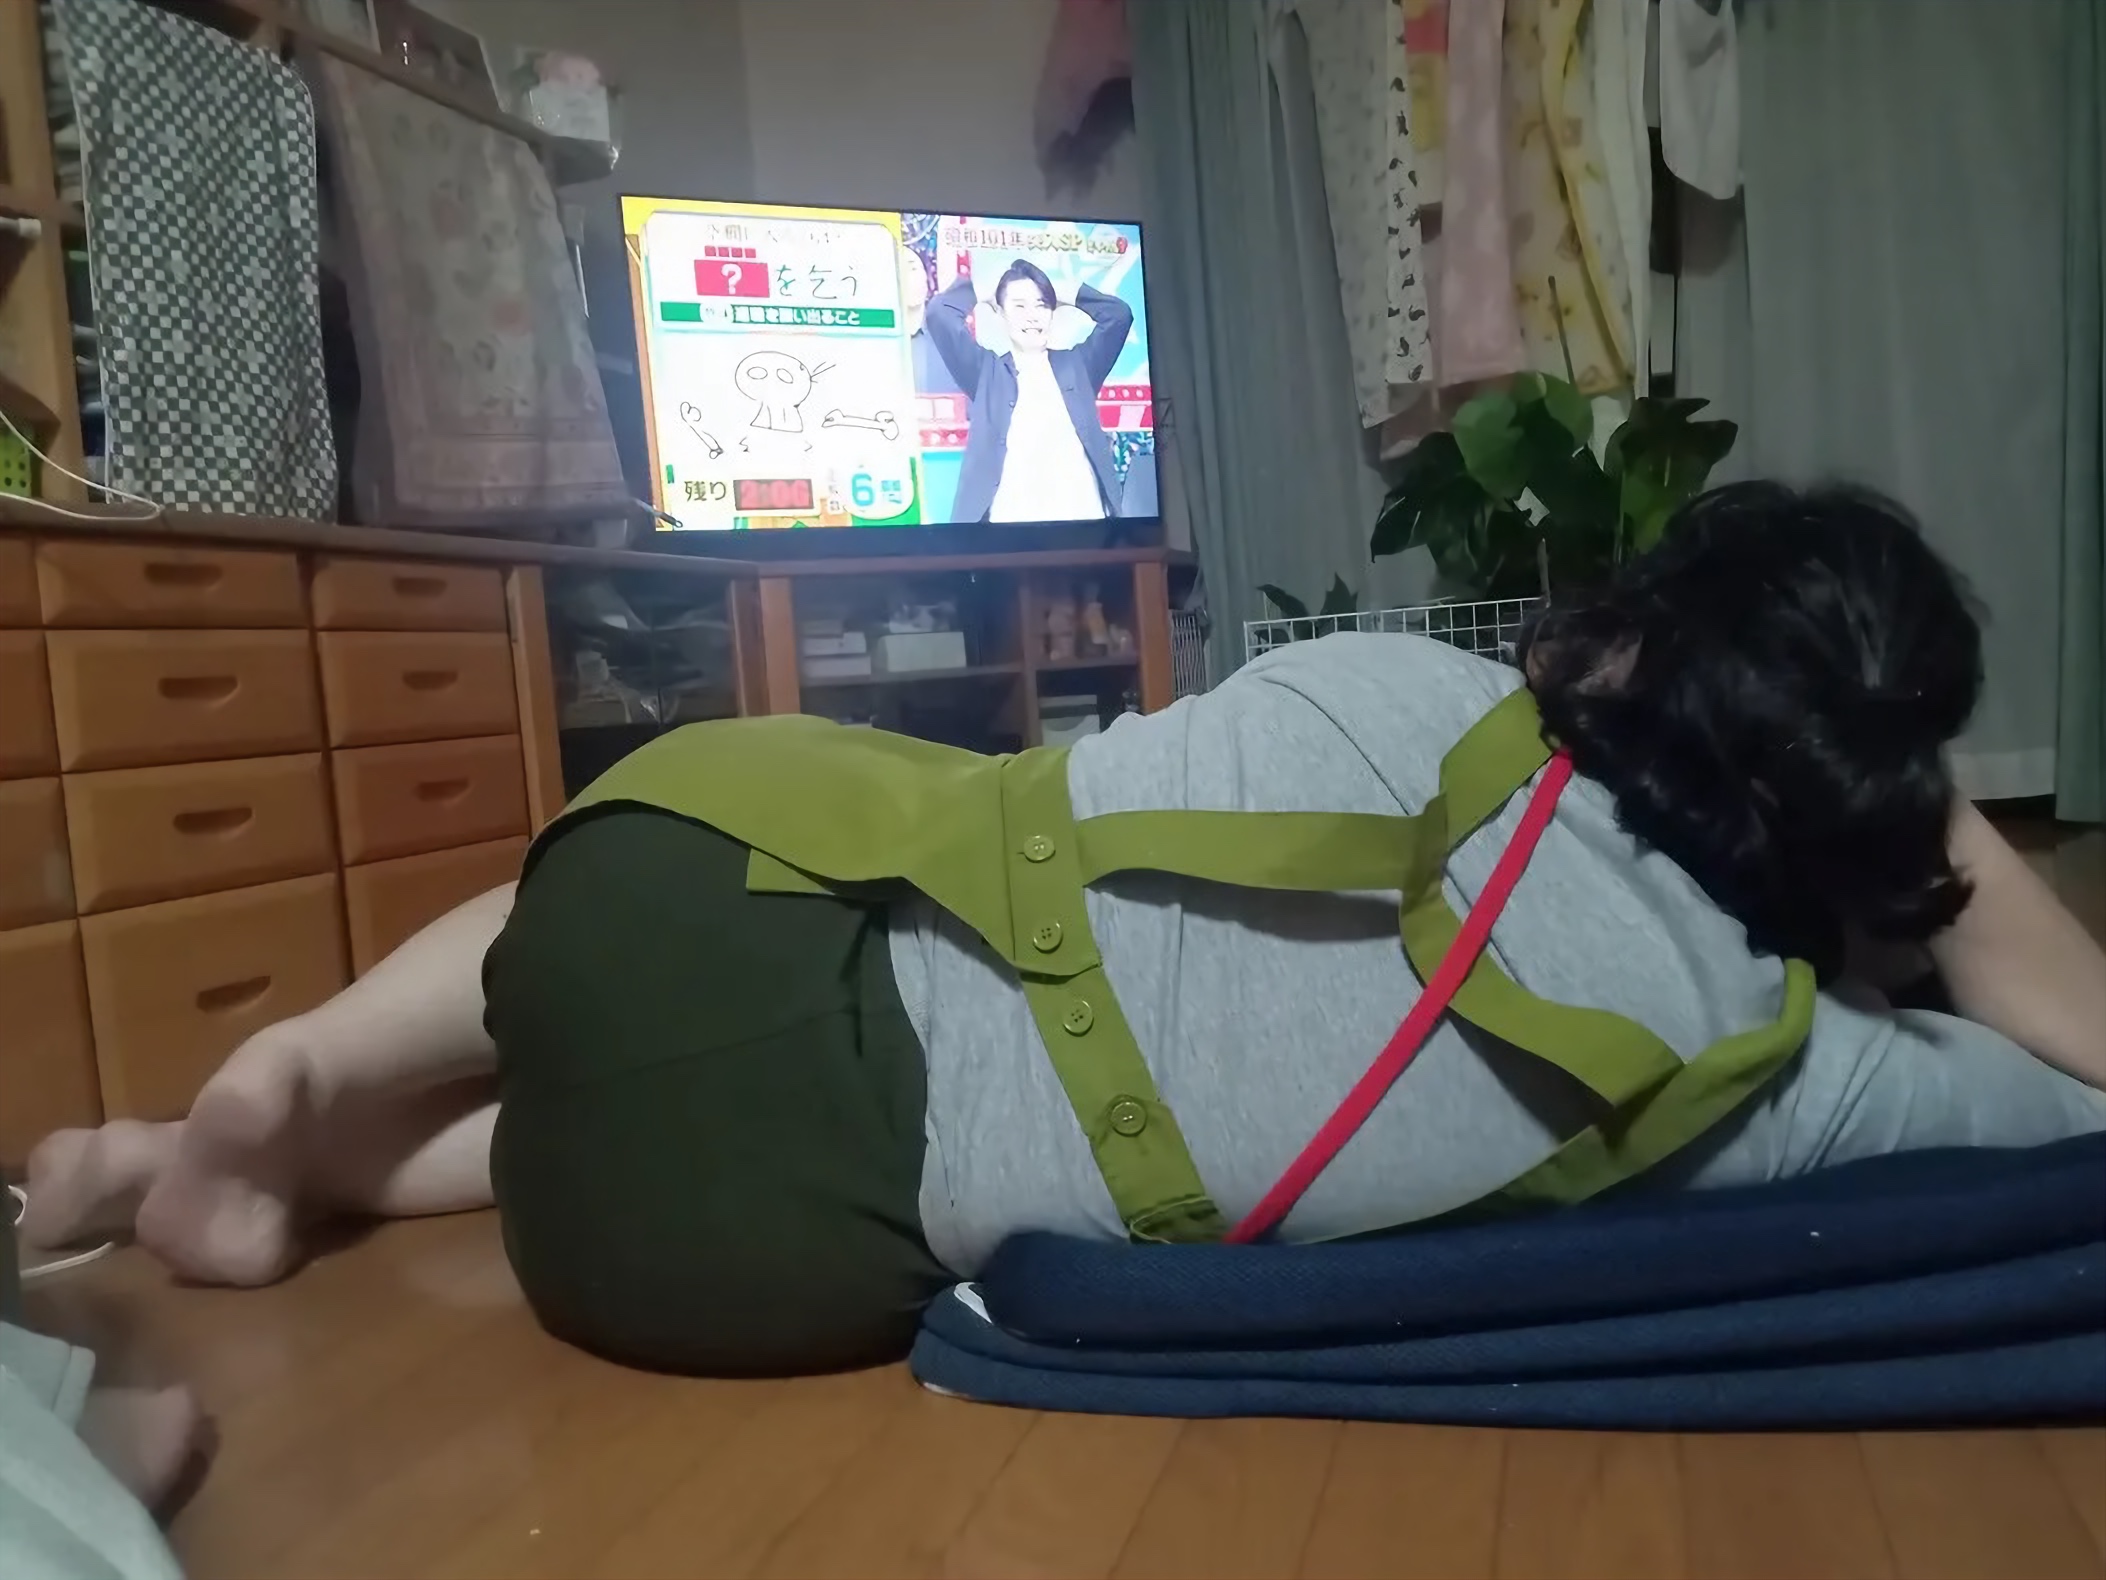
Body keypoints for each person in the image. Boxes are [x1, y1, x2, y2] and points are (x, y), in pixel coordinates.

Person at [19, 483, 2106, 1380]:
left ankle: (290, 1078)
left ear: (1640, 637)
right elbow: (2067, 1065)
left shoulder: (1411, 683)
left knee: (776, 875)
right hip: (686, 1260)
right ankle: (277, 1174)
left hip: (658, 910)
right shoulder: (1778, 1081)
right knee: (715, 1116)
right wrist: (1904, 822)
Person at [923, 256, 1133, 523]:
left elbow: (1118, 316)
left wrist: (1068, 292)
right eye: (1019, 306)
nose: (1032, 316)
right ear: (1001, 313)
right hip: (1010, 531)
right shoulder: (986, 372)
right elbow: (939, 314)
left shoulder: (1079, 366)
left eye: (1041, 304)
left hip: (1084, 525)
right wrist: (985, 290)